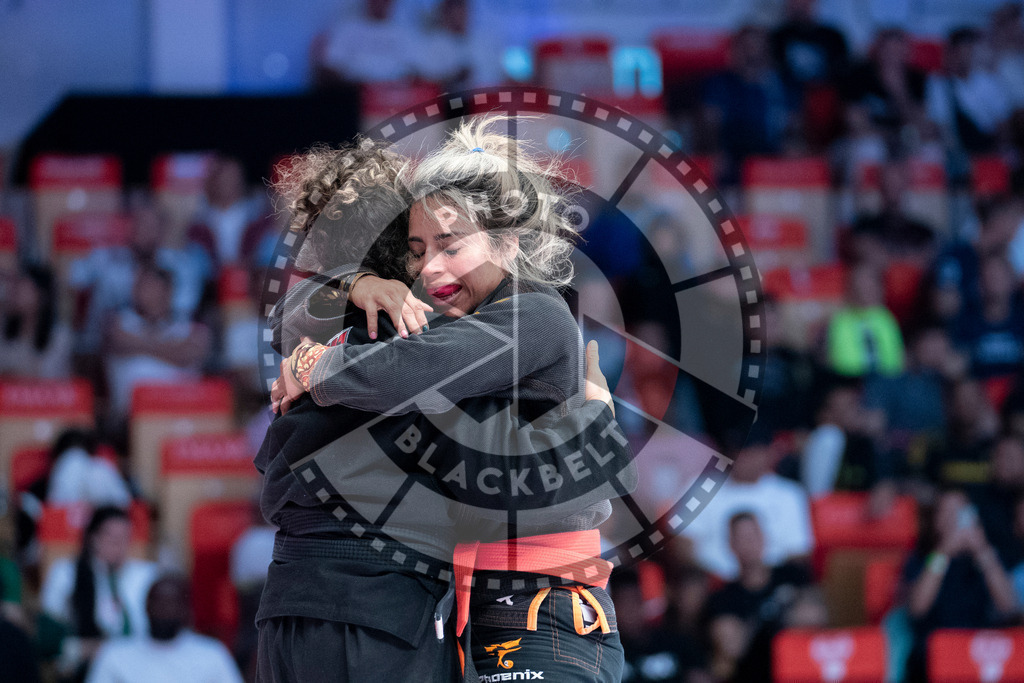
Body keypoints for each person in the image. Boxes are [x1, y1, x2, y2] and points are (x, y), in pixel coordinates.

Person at [259, 131, 633, 681]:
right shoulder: (427, 319)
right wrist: (354, 284)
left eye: (450, 246)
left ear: (508, 242)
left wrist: (310, 366)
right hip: (469, 603)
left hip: (545, 600)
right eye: (418, 252)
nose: (431, 268)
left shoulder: (534, 312)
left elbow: (398, 371)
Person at [900, 489, 1018, 681]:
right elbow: (917, 609)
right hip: (931, 658)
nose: (955, 522)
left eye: (961, 513)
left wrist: (982, 551)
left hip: (979, 657)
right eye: (948, 514)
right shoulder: (922, 559)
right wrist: (944, 552)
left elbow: (1009, 606)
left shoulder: (986, 557)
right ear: (936, 521)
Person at [39, 506, 158, 680]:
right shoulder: (67, 574)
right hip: (89, 666)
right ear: (93, 538)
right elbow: (48, 641)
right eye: (111, 537)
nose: (118, 544)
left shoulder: (147, 575)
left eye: (124, 537)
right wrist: (87, 648)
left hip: (142, 664)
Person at [86, 575, 243, 683]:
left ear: (186, 609)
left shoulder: (212, 654)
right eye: (158, 602)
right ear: (146, 606)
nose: (164, 610)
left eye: (171, 603)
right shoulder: (115, 654)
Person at [0, 263, 73, 378]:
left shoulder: (60, 336)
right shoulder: (3, 328)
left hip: (47, 395)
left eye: (21, 287)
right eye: (14, 288)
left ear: (42, 296)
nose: (13, 293)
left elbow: (46, 376)